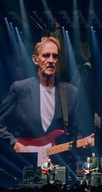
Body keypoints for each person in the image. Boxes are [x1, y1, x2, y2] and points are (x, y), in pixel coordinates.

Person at [0, 36, 94, 167]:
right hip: (24, 161)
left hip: (55, 162)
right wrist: (14, 144)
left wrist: (81, 141)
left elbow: (74, 129)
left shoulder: (71, 92)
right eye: (46, 55)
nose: (51, 60)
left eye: (55, 56)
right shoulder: (20, 88)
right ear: (35, 59)